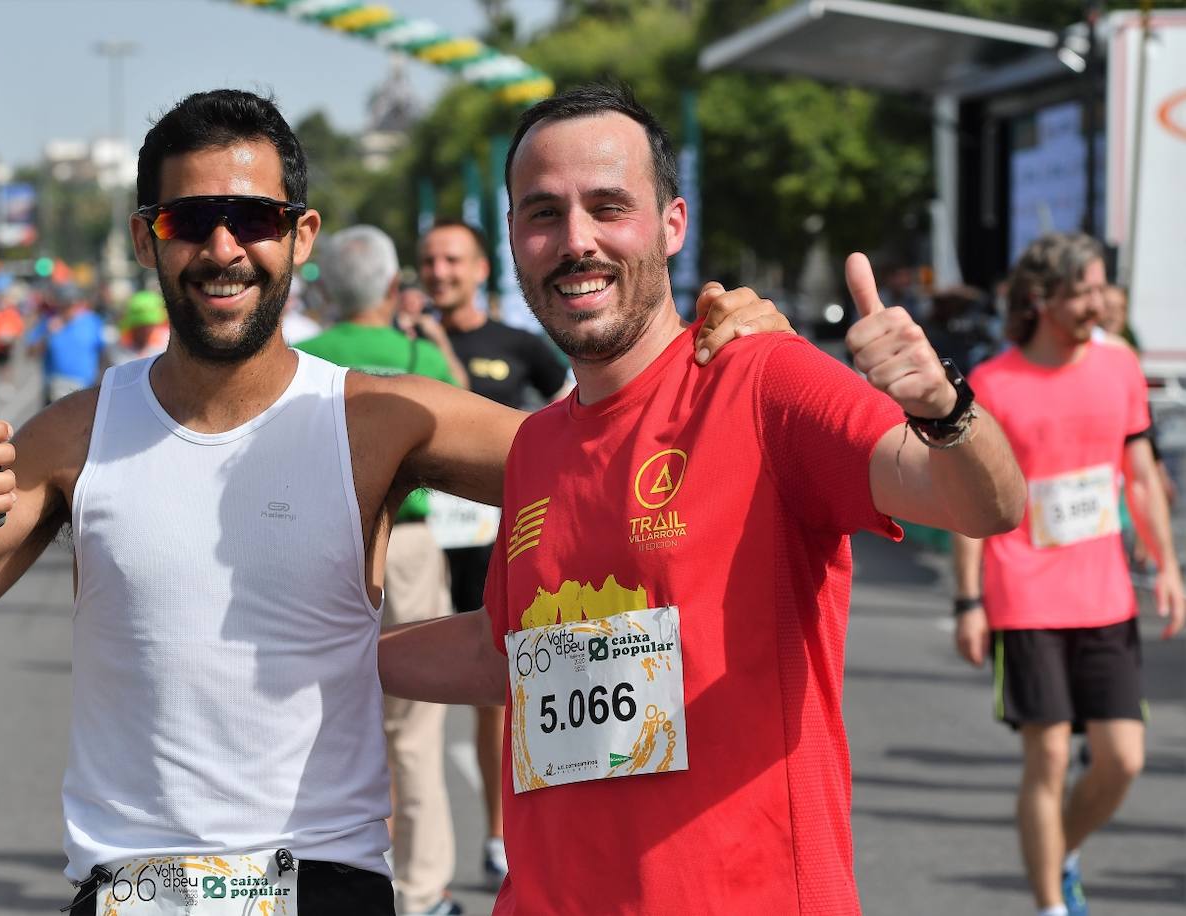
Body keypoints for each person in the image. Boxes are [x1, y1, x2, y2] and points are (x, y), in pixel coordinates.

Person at [0, 89, 784, 915]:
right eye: (190, 219)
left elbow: (620, 461)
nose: (223, 247)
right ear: (146, 237)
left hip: (321, 877)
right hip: (136, 885)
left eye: (252, 218)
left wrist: (730, 356)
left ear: (301, 235)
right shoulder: (74, 437)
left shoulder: (376, 417)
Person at [378, 83, 1026, 915]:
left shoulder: (762, 380)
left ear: (674, 224)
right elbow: (504, 652)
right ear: (513, 239)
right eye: (543, 213)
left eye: (609, 207)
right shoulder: (536, 444)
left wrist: (945, 410)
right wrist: (328, 659)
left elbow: (984, 505)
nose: (575, 241)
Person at [952, 233, 1184, 916]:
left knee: (1123, 759)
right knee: (1048, 758)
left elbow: (1139, 476)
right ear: (1040, 299)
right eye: (1081, 290)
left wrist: (1167, 565)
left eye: (1098, 287)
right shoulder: (993, 385)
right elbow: (975, 504)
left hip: (1105, 593)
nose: (1097, 303)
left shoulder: (1120, 368)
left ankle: (1063, 849)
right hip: (1024, 594)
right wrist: (969, 600)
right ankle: (1053, 905)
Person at [299, 224, 464, 916]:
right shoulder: (418, 353)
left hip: (321, 542)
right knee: (416, 727)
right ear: (394, 287)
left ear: (325, 290)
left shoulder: (298, 360)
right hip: (415, 542)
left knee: (317, 716)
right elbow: (467, 420)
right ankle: (422, 890)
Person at [417, 218, 570, 889]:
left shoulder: (515, 344)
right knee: (403, 712)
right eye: (427, 260)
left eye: (452, 259)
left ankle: (498, 835)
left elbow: (568, 405)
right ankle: (407, 858)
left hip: (493, 540)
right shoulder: (404, 341)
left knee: (497, 698)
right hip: (420, 542)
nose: (438, 271)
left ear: (482, 268)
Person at [27, 287, 107, 405]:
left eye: (73, 305)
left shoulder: (92, 322)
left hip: (86, 388)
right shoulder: (48, 323)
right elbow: (31, 352)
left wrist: (102, 382)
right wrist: (47, 334)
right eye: (64, 305)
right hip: (55, 389)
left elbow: (104, 354)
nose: (69, 310)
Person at [111, 289, 170, 365]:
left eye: (150, 324)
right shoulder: (116, 347)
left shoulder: (168, 344)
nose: (146, 330)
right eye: (141, 325)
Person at [0, 295, 27, 386]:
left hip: (10, 344)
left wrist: (12, 336)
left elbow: (19, 328)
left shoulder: (13, 314)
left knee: (8, 364)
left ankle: (6, 382)